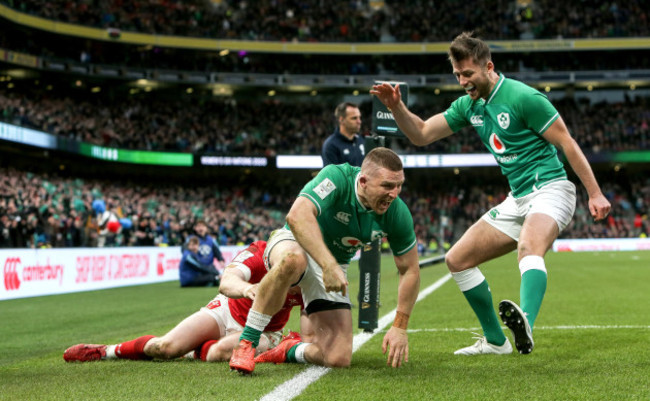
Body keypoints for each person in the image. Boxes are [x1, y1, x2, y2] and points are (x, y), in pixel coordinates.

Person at [370, 31, 611, 356]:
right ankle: (496, 341)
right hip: (518, 198)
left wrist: (594, 193)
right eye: (457, 74)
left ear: (489, 66)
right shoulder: (468, 106)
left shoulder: (523, 97)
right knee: (457, 259)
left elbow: (567, 142)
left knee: (529, 247)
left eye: (468, 73)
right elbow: (423, 134)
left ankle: (525, 321)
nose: (462, 81)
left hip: (552, 189)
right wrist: (397, 107)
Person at [229, 147, 420, 374]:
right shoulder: (337, 178)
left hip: (334, 263)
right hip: (294, 240)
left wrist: (400, 326)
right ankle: (247, 342)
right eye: (387, 185)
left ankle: (289, 349)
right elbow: (297, 215)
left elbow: (409, 270)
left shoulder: (397, 213)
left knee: (338, 357)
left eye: (399, 185)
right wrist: (328, 265)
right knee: (293, 260)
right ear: (364, 181)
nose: (394, 193)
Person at [63, 241, 310, 363]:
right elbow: (227, 281)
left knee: (219, 353)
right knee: (164, 348)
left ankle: (195, 349)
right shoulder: (260, 252)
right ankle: (106, 351)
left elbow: (312, 316)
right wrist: (247, 289)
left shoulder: (312, 272)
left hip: (267, 331)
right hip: (226, 311)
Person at [321, 102, 365, 166]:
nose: (359, 121)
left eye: (359, 117)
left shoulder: (361, 140)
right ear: (341, 119)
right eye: (354, 118)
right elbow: (332, 174)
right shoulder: (331, 145)